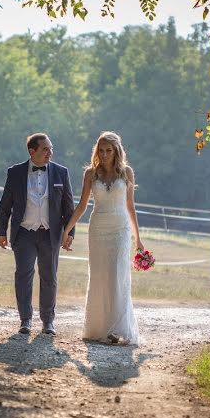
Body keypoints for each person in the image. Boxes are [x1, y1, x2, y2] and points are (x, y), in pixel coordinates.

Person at [61, 131, 143, 345]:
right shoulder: (90, 174)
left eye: (109, 151)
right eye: (101, 150)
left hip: (120, 228)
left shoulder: (127, 173)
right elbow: (81, 206)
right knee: (99, 275)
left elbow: (131, 207)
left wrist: (138, 239)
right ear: (97, 151)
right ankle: (99, 327)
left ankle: (117, 328)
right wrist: (67, 230)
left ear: (117, 151)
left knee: (118, 274)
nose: (105, 154)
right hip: (97, 228)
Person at [0, 133, 76, 335]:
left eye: (51, 148)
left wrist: (70, 233)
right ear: (32, 151)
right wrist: (1, 231)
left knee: (49, 277)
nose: (50, 152)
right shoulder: (15, 172)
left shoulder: (61, 173)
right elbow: (5, 205)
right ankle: (25, 320)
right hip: (24, 233)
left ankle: (48, 321)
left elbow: (69, 207)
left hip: (51, 234)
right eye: (45, 149)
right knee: (23, 275)